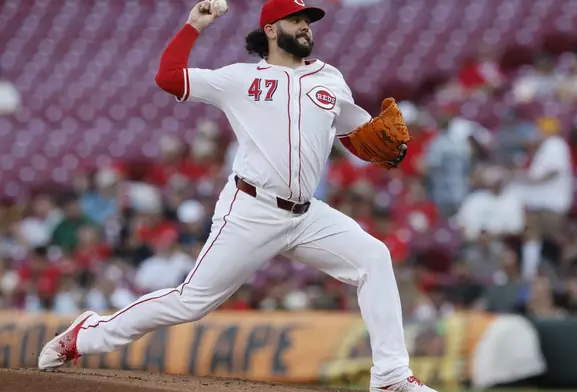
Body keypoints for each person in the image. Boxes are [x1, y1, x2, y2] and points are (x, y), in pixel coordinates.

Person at [37, 1, 431, 392]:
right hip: (252, 209)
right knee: (191, 302)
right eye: (296, 20)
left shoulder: (330, 79)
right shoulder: (239, 80)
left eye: (308, 20)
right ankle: (86, 335)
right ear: (271, 30)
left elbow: (358, 133)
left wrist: (384, 142)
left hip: (307, 215)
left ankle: (391, 377)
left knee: (374, 257)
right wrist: (194, 26)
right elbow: (169, 77)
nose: (306, 26)